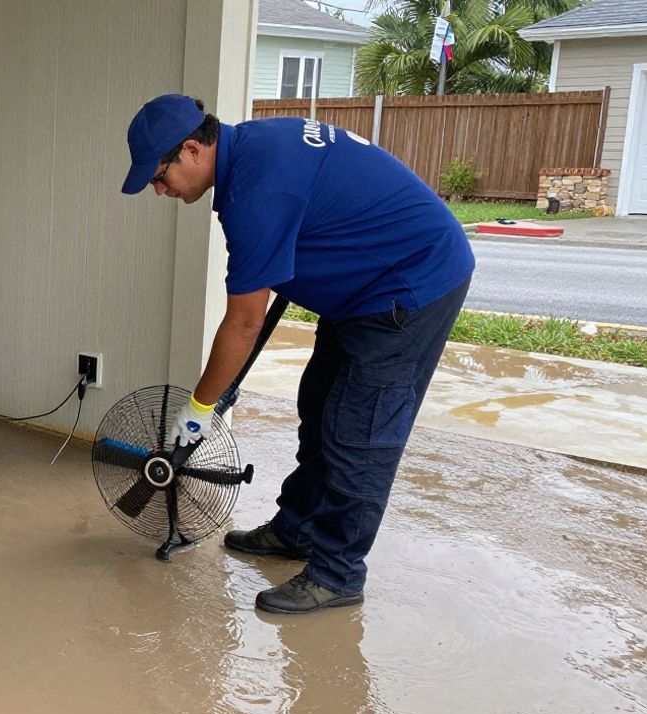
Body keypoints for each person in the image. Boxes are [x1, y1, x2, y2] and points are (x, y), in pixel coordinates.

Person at [121, 94, 474, 614]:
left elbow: (243, 324)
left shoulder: (257, 193)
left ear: (192, 150)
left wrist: (197, 412)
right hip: (362, 292)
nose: (159, 190)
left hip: (410, 286)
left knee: (359, 431)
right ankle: (298, 530)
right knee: (321, 405)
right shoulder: (256, 148)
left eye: (158, 176)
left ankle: (337, 575)